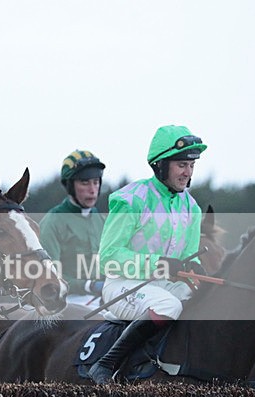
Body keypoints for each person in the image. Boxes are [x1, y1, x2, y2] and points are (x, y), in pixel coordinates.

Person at [87, 125, 207, 384]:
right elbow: (108, 258)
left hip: (165, 286)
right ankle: (105, 364)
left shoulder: (192, 208)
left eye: (191, 165)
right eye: (181, 165)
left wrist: (195, 268)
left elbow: (189, 256)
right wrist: (160, 264)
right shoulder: (131, 199)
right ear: (161, 165)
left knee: (207, 302)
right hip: (123, 286)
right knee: (168, 306)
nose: (188, 172)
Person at [39, 150, 106, 307]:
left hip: (100, 296)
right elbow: (50, 274)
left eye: (96, 182)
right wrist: (87, 285)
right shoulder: (53, 221)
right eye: (85, 183)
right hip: (67, 299)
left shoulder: (100, 219)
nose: (92, 189)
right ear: (70, 186)